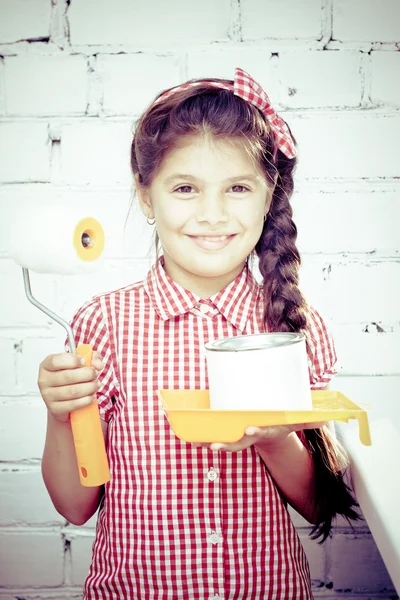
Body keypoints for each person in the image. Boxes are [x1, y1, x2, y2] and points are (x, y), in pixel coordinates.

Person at [38, 68, 358, 600]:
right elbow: (75, 505)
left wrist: (275, 438)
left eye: (237, 188)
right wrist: (58, 413)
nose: (212, 215)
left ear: (267, 195)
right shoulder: (104, 325)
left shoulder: (296, 327)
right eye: (185, 188)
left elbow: (319, 504)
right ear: (146, 197)